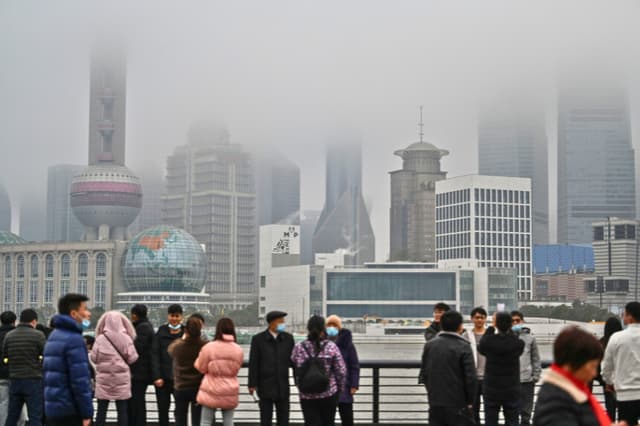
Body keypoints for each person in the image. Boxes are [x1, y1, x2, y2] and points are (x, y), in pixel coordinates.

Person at [533, 326, 627, 426]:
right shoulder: (556, 403)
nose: (594, 373)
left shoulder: (565, 393)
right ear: (572, 363)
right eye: (592, 366)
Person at [43, 293, 94, 426]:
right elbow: (80, 381)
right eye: (85, 309)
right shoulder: (74, 339)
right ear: (74, 314)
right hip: (70, 410)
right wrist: (87, 413)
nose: (88, 314)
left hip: (54, 408)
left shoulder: (54, 336)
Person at [421, 310, 476, 426]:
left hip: (435, 401)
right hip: (458, 403)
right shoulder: (464, 346)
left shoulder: (430, 345)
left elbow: (424, 373)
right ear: (460, 326)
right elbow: (470, 377)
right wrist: (470, 401)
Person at [291, 315, 346, 426]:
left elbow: (295, 366)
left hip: (306, 394)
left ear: (308, 328)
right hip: (328, 393)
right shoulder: (331, 346)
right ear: (324, 329)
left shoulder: (299, 347)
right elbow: (341, 370)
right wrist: (340, 388)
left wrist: (298, 384)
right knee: (328, 422)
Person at [91, 311, 139, 426]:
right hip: (121, 380)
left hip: (104, 380)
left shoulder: (100, 339)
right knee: (122, 411)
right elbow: (133, 358)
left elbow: (93, 358)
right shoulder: (126, 338)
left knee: (101, 411)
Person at [248, 311, 295, 426]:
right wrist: (252, 384)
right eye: (281, 321)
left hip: (283, 386)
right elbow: (253, 363)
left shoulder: (288, 339)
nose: (283, 324)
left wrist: (299, 380)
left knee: (284, 420)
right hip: (265, 387)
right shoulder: (258, 340)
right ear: (272, 323)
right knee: (265, 420)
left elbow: (294, 361)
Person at [195, 317, 244, 426]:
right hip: (229, 388)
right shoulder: (238, 349)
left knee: (205, 422)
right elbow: (237, 368)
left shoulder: (209, 347)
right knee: (228, 421)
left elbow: (201, 367)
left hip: (211, 388)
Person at [478, 312, 524, 426]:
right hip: (511, 389)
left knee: (491, 421)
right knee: (513, 421)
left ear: (496, 324)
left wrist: (491, 327)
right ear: (510, 325)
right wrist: (510, 329)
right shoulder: (517, 343)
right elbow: (516, 340)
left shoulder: (489, 341)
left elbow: (481, 346)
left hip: (491, 389)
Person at [3, 308, 46, 426]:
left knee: (12, 415)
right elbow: (46, 355)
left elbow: (5, 357)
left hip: (14, 379)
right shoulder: (38, 335)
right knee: (35, 416)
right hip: (33, 379)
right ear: (33, 321)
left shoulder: (9, 336)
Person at [602, 301, 640, 426]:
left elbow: (607, 367)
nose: (623, 317)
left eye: (624, 314)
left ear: (630, 317)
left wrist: (609, 382)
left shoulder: (616, 338)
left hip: (626, 395)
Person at [167, 316, 206, 426]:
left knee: (180, 417)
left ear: (186, 330)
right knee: (197, 418)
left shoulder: (179, 346)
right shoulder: (204, 346)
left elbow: (170, 350)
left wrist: (183, 337)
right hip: (198, 387)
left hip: (181, 386)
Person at [129, 304, 160, 426]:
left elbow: (137, 348)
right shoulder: (145, 326)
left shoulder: (142, 328)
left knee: (137, 402)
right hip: (141, 371)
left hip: (140, 372)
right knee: (137, 401)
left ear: (134, 315)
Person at [326, 315, 360, 426]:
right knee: (327, 419)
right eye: (329, 325)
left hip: (345, 387)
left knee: (347, 418)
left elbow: (354, 366)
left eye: (334, 325)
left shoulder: (348, 344)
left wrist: (354, 385)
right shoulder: (322, 343)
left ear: (339, 327)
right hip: (326, 388)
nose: (331, 327)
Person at [154, 304, 185, 426]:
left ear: (181, 317)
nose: (175, 319)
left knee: (180, 411)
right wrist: (157, 376)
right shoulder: (160, 333)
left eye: (177, 316)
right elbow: (154, 355)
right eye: (172, 316)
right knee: (162, 410)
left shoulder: (186, 333)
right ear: (168, 316)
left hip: (181, 379)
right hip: (163, 379)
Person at [511, 310, 541, 426]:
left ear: (522, 321)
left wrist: (536, 376)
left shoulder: (530, 338)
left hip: (527, 380)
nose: (515, 323)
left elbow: (536, 359)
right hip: (510, 381)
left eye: (517, 320)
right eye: (512, 321)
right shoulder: (506, 338)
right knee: (511, 412)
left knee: (526, 413)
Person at [596, 317, 623, 421]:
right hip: (623, 383)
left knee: (610, 413)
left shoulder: (601, 343)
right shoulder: (623, 342)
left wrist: (604, 381)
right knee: (624, 414)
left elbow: (598, 366)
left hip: (607, 385)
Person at [466, 307, 487, 425]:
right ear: (472, 319)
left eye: (482, 317)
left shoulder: (491, 334)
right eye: (477, 317)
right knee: (473, 409)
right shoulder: (466, 336)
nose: (479, 320)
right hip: (472, 379)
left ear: (485, 319)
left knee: (490, 408)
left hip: (488, 378)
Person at [0, 311, 18, 426]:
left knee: (3, 402)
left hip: (1, 375)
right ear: (14, 321)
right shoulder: (18, 335)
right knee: (17, 403)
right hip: (17, 374)